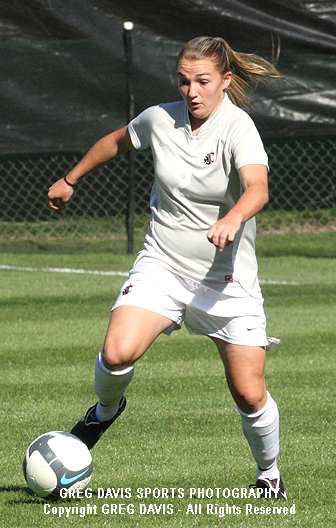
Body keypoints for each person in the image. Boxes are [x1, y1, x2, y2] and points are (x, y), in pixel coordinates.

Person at [48, 36, 286, 499]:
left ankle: (268, 473)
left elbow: (258, 186)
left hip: (226, 283)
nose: (192, 91)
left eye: (202, 81)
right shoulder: (161, 118)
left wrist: (234, 217)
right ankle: (105, 410)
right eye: (183, 81)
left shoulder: (238, 128)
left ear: (225, 81)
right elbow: (117, 141)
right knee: (116, 353)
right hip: (163, 265)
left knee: (249, 394)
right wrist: (70, 179)